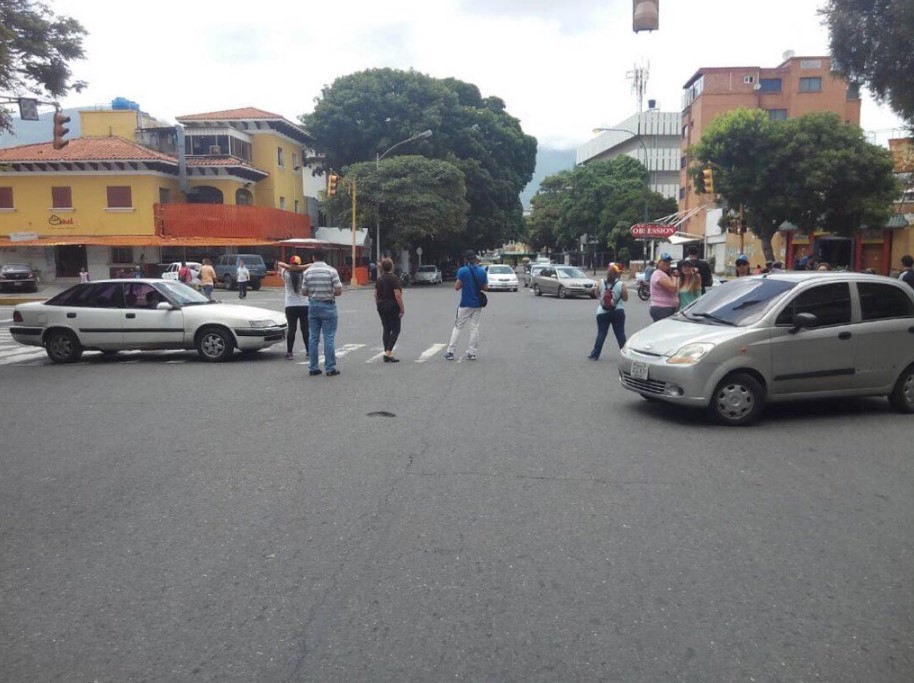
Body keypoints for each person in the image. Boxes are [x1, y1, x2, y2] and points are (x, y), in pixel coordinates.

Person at [302, 249, 343, 376]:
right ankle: (330, 368)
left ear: (313, 257)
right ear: (324, 258)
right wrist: (331, 293)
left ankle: (313, 367)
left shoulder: (307, 272)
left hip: (313, 305)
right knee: (329, 337)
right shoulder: (331, 271)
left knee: (313, 337)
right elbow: (339, 289)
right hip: (328, 305)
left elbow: (304, 292)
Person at [443, 249, 488, 361]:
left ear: (466, 260)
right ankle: (472, 352)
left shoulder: (462, 271)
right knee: (474, 328)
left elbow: (457, 287)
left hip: (465, 304)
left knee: (458, 327)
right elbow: (486, 288)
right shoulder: (482, 271)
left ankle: (450, 351)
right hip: (477, 303)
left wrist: (466, 283)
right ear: (475, 259)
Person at [588, 264, 627, 360]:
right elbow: (625, 298)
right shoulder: (621, 284)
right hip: (618, 311)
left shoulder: (600, 282)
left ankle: (595, 354)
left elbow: (597, 294)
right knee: (620, 334)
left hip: (602, 312)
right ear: (618, 274)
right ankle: (625, 354)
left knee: (601, 333)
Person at [276, 255, 310, 360]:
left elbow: (279, 263)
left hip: (290, 305)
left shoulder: (286, 274)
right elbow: (311, 265)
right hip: (304, 304)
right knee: (305, 329)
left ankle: (289, 353)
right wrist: (300, 267)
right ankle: (309, 352)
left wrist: (290, 267)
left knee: (292, 329)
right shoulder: (304, 274)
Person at [375, 257, 405, 362]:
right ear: (391, 266)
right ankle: (388, 352)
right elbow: (397, 295)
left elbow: (375, 295)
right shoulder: (394, 279)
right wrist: (402, 308)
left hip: (381, 306)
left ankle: (387, 352)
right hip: (392, 306)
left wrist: (378, 305)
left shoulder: (379, 279)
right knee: (396, 329)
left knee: (386, 328)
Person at [649, 253, 679, 321]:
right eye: (665, 261)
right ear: (658, 263)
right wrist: (674, 278)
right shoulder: (659, 274)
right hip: (662, 309)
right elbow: (673, 288)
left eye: (669, 261)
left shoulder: (664, 274)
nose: (667, 263)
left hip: (666, 309)